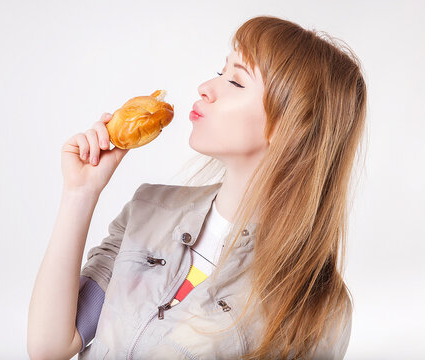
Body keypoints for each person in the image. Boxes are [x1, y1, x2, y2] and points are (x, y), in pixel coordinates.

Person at [28, 15, 366, 360]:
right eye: (221, 72)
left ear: (292, 127)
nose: (206, 86)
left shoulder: (318, 307)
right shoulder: (148, 209)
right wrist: (79, 193)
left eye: (236, 82)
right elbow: (50, 346)